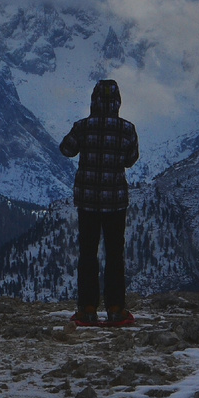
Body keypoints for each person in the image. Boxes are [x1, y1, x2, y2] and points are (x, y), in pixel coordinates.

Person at [59, 78, 139, 327]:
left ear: (93, 101)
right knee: (115, 254)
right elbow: (130, 159)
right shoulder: (127, 129)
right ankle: (116, 309)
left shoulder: (82, 127)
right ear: (117, 103)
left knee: (88, 254)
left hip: (88, 201)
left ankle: (88, 309)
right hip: (115, 202)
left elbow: (66, 149)